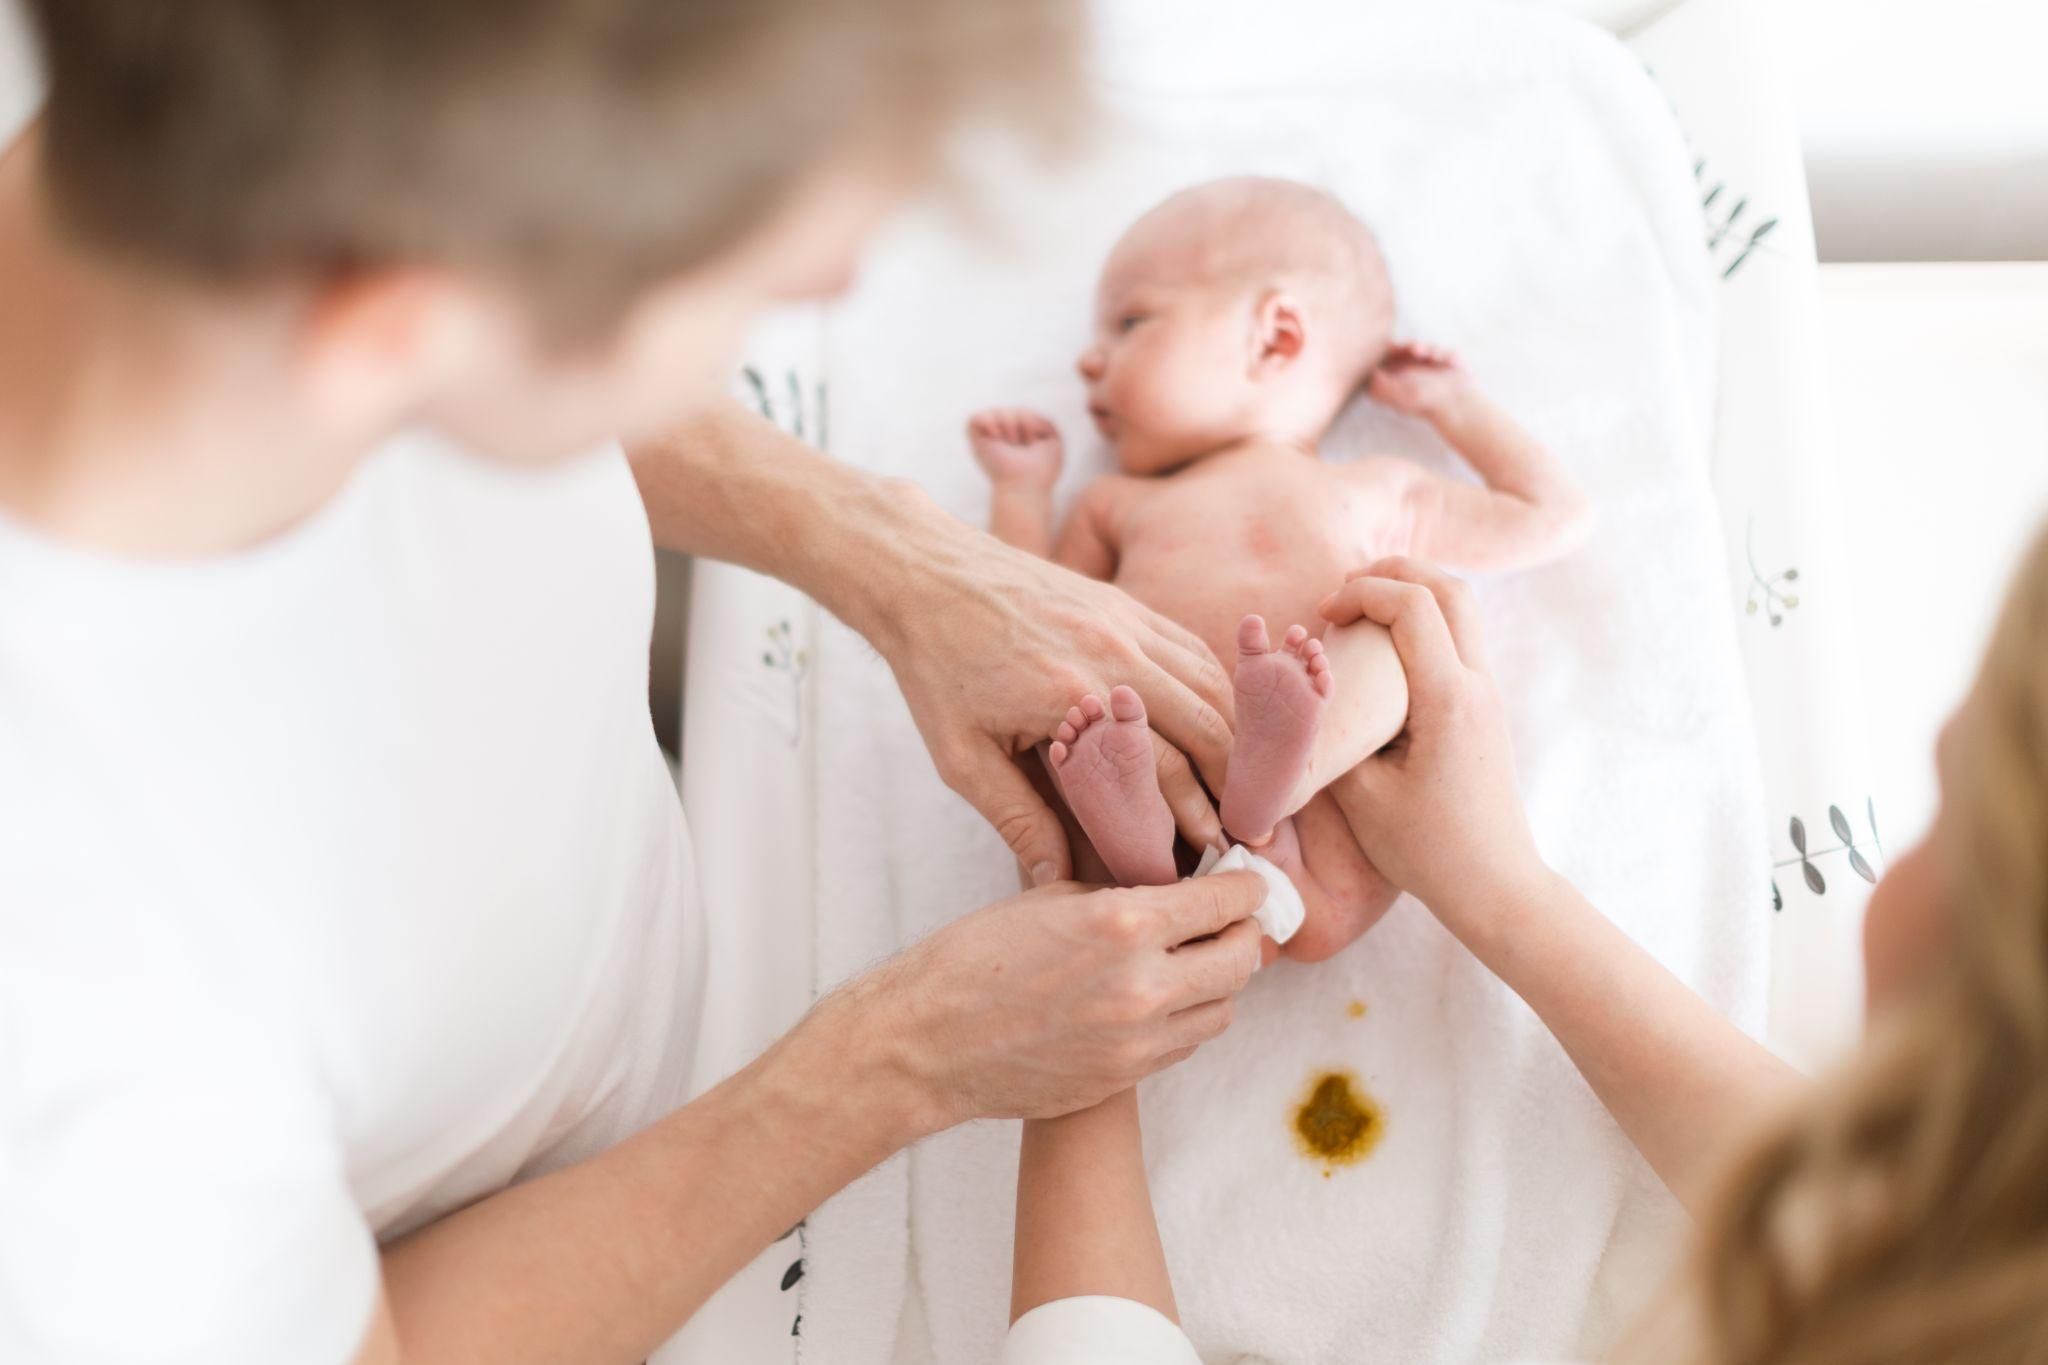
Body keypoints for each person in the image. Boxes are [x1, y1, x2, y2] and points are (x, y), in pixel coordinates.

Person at [0, 3, 1272, 1361]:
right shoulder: (79, 1034)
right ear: (394, 331)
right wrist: (903, 1058)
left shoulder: (217, 188)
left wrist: (885, 554)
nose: (830, 291)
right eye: (742, 279)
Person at [996, 532, 2048, 1363]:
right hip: (1295, 793)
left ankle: (1237, 787)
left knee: (1311, 873)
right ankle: (1241, 785)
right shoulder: (1964, 1275)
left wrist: (1084, 974)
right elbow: (1874, 1216)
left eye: (1942, 808)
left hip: (1253, 797)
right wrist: (1501, 888)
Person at [969, 176, 1590, 958]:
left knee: (1402, 622)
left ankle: (1281, 774)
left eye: (1131, 321)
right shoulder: (1113, 502)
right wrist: (1021, 493)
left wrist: (1453, 404)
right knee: (1071, 700)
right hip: (1160, 779)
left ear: (1276, 336)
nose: (1090, 362)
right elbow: (1024, 617)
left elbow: (1553, 516)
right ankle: (1145, 847)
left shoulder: (1372, 487)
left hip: (1328, 834)